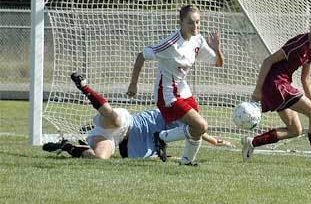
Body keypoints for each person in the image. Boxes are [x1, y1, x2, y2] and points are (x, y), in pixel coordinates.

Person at [43, 73, 233, 159]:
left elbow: (194, 130)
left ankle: (68, 146)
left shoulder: (177, 126)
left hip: (115, 139)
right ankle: (84, 87)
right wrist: (212, 140)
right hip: (126, 124)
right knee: (115, 118)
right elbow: (194, 129)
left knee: (99, 159)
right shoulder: (173, 111)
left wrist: (214, 141)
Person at [243, 14, 311, 165]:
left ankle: (252, 142)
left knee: (295, 130)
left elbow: (305, 78)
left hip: (281, 85)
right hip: (276, 84)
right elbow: (267, 61)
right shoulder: (299, 43)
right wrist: (257, 91)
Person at [127, 5, 224, 166]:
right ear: (181, 22)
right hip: (167, 93)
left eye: (198, 22)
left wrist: (217, 49)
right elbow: (141, 56)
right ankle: (161, 137)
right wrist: (133, 84)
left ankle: (186, 161)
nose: (195, 26)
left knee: (197, 129)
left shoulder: (198, 39)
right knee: (201, 126)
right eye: (190, 23)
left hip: (183, 90)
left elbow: (218, 63)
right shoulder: (170, 44)